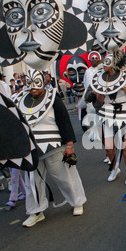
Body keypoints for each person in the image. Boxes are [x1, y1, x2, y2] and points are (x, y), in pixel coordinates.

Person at [17, 70, 87, 227]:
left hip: (53, 146)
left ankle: (77, 202)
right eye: (29, 83)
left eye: (36, 83)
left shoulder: (52, 97)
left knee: (65, 177)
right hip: (30, 151)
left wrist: (69, 145)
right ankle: (35, 211)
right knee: (32, 183)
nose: (33, 87)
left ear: (42, 82)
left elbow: (64, 121)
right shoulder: (19, 100)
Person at [86, 52, 126, 185]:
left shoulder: (125, 76)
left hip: (125, 112)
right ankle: (115, 168)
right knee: (109, 147)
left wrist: (123, 87)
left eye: (106, 62)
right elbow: (101, 100)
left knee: (125, 146)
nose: (103, 64)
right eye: (103, 62)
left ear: (114, 64)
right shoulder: (100, 78)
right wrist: (98, 92)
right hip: (107, 112)